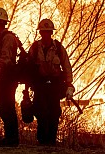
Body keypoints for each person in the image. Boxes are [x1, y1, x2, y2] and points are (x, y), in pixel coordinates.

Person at [28, 18, 75, 146]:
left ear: (51, 33)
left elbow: (66, 67)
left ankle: (51, 141)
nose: (46, 34)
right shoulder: (34, 48)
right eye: (43, 32)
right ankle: (42, 140)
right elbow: (28, 66)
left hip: (54, 86)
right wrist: (28, 85)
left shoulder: (59, 48)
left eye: (48, 32)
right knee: (40, 112)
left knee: (54, 113)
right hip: (40, 85)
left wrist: (69, 85)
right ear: (40, 33)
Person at [0, 7, 20, 147]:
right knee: (2, 107)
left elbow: (6, 58)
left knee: (7, 107)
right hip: (1, 77)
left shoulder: (8, 38)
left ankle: (12, 139)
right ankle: (10, 138)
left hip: (8, 77)